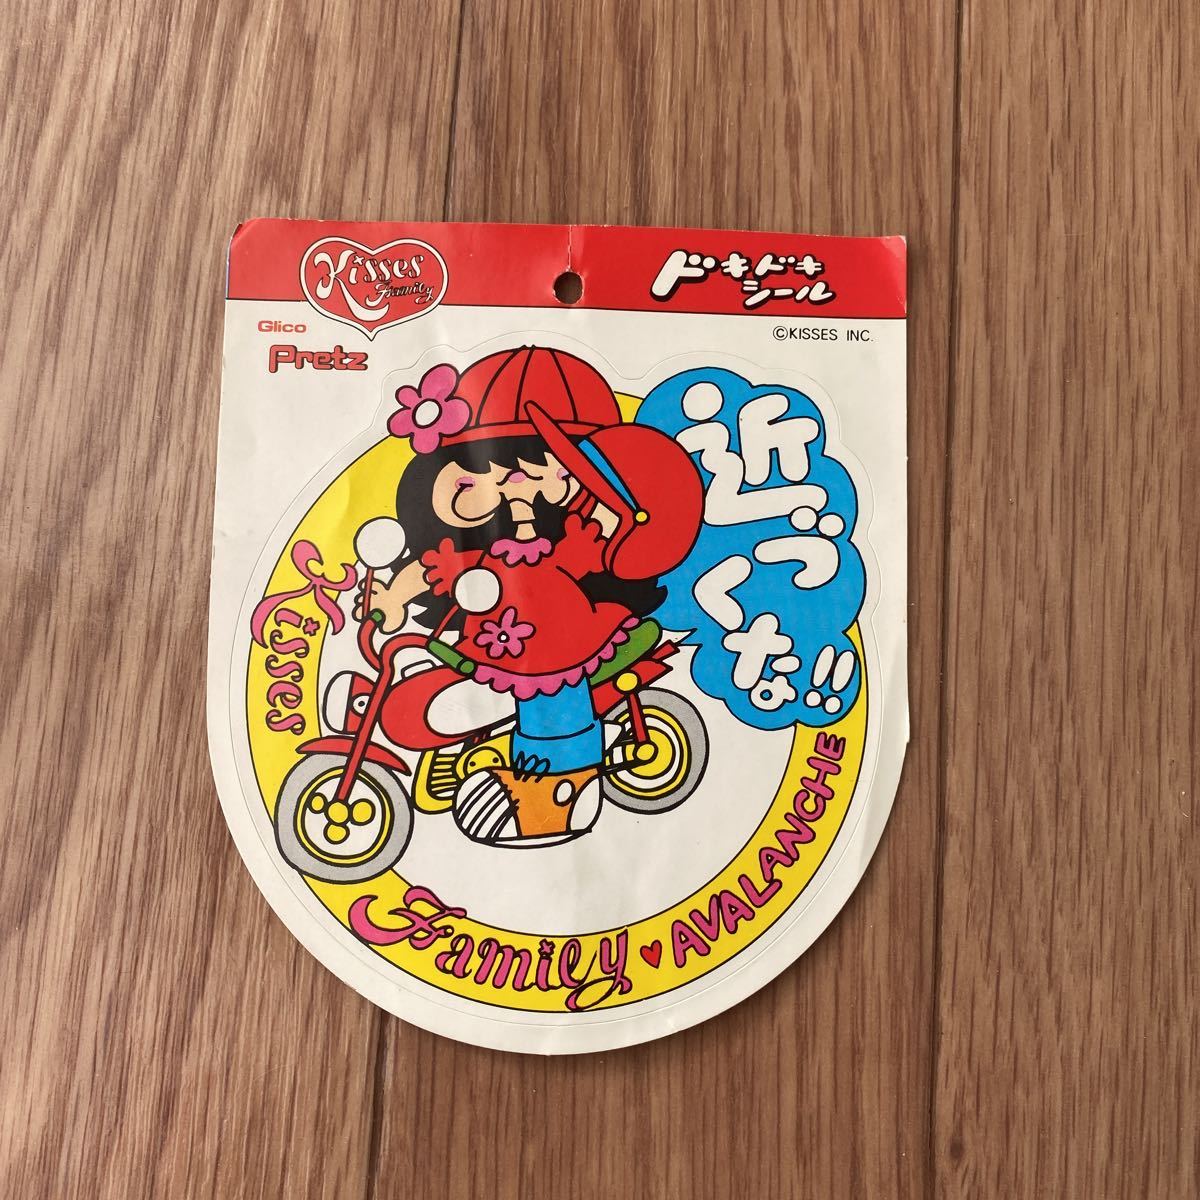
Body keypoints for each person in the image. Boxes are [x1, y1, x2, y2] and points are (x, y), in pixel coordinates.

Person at [359, 345, 701, 844]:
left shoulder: (573, 540)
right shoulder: (478, 553)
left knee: (554, 693)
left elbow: (598, 551)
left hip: (564, 638)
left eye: (545, 471)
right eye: (489, 474)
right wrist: (392, 599)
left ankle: (558, 797)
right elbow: (437, 568)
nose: (516, 486)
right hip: (496, 642)